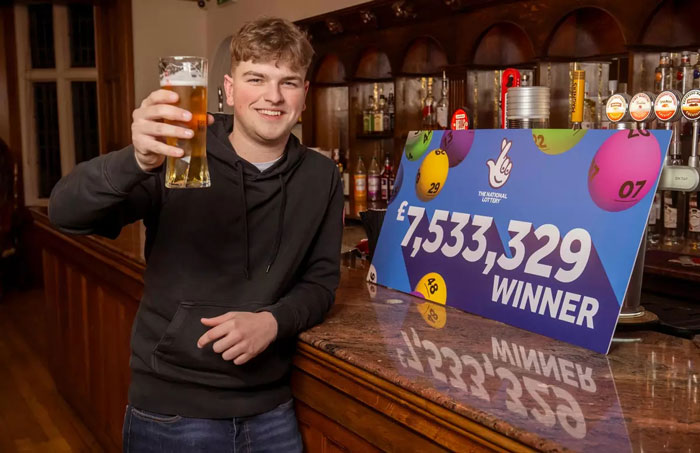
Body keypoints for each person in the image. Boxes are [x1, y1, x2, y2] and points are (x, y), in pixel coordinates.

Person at [49, 17, 343, 452]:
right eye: (256, 78)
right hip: (172, 410)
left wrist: (273, 321)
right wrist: (138, 159)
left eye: (289, 82)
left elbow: (321, 283)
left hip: (271, 411)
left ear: (304, 95)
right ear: (227, 88)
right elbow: (65, 212)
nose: (273, 96)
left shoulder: (321, 176)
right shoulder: (183, 153)